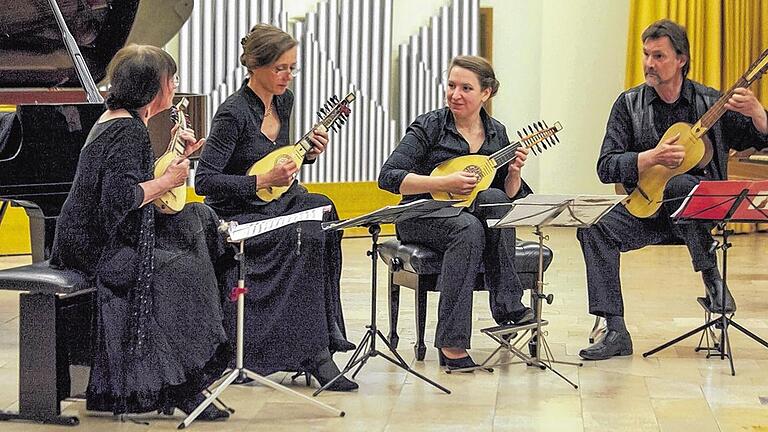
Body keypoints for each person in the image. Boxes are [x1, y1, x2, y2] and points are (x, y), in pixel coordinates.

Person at [49, 44, 231, 419]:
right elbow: (122, 198)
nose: (176, 84)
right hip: (94, 248)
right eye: (172, 78)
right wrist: (167, 179)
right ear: (153, 87)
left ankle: (178, 378)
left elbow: (131, 180)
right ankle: (178, 384)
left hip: (94, 236)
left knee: (198, 222)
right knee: (184, 272)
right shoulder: (127, 130)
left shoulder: (120, 119)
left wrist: (172, 162)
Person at [577, 19, 768, 361]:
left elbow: (758, 139)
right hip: (648, 209)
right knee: (594, 229)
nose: (649, 63)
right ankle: (615, 329)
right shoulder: (629, 104)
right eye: (646, 55)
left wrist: (758, 115)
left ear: (681, 59)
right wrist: (649, 158)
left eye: (659, 56)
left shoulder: (712, 103)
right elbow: (605, 166)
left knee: (681, 183)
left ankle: (711, 278)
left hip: (697, 214)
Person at [194, 24, 357, 391]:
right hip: (238, 212)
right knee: (305, 233)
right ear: (255, 67)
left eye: (292, 68)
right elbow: (204, 182)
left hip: (274, 201)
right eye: (280, 68)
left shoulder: (284, 101)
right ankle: (308, 354)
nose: (287, 76)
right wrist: (262, 180)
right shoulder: (232, 114)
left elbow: (279, 159)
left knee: (326, 213)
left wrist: (307, 154)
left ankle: (317, 342)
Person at [378, 55, 536, 371]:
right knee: (469, 229)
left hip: (465, 216)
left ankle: (507, 307)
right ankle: (451, 344)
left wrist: (514, 173)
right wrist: (443, 181)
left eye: (466, 88)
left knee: (492, 200)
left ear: (486, 94)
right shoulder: (430, 126)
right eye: (451, 85)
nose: (455, 94)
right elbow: (389, 177)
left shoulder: (496, 134)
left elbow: (507, 196)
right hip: (420, 216)